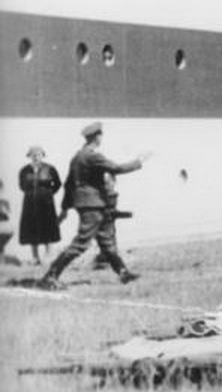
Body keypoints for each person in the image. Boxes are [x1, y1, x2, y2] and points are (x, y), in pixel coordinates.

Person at [39, 122, 149, 289]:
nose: (101, 138)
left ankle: (124, 273)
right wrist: (139, 161)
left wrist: (65, 208)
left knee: (106, 242)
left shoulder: (77, 157)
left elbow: (69, 184)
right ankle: (50, 276)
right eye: (100, 136)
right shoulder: (92, 156)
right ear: (97, 137)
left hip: (96, 205)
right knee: (81, 243)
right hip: (93, 206)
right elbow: (116, 168)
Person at [18, 145, 62, 264]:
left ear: (43, 155)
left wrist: (48, 194)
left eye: (38, 154)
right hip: (30, 204)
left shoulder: (50, 168)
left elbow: (58, 184)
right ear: (30, 156)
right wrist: (32, 194)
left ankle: (48, 255)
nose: (36, 156)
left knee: (47, 227)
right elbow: (22, 186)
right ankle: (35, 257)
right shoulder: (24, 170)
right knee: (32, 228)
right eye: (33, 154)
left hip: (46, 204)